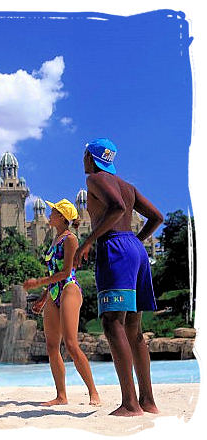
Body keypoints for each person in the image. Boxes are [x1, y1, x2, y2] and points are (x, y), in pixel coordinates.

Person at [74, 138, 163, 416]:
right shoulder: (127, 185)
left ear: (91, 157)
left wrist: (88, 241)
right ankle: (147, 401)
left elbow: (117, 208)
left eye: (85, 154)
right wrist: (136, 241)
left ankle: (130, 403)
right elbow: (157, 217)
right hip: (135, 250)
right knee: (134, 329)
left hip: (114, 248)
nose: (83, 159)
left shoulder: (95, 179)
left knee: (112, 322)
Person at [24, 199, 101, 407]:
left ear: (62, 217)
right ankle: (61, 395)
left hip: (69, 289)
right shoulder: (54, 239)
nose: (49, 214)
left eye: (54, 212)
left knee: (71, 344)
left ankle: (93, 392)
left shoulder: (71, 239)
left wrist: (37, 283)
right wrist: (42, 298)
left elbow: (66, 272)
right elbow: (52, 272)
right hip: (53, 292)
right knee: (51, 346)